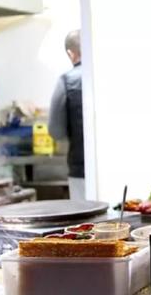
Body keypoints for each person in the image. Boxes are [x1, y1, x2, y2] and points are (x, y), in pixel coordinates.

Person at [49, 30, 85, 200]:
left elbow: (55, 131)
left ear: (71, 53)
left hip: (80, 170)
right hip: (114, 168)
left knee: (85, 223)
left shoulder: (66, 80)